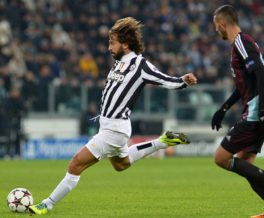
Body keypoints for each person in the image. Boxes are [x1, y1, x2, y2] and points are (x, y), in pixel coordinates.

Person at [29, 17, 197, 215]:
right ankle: (162, 141)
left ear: (125, 44)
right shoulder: (118, 63)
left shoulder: (140, 64)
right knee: (121, 164)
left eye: (112, 43)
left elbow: (165, 80)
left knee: (75, 163)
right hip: (110, 126)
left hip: (114, 128)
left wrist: (183, 81)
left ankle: (46, 205)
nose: (109, 48)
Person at [211, 5, 264, 218]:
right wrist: (224, 108)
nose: (217, 31)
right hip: (261, 110)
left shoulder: (241, 43)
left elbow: (261, 73)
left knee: (221, 158)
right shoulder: (241, 45)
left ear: (223, 24)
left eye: (217, 27)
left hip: (257, 112)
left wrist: (261, 108)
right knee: (245, 165)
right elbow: (245, 82)